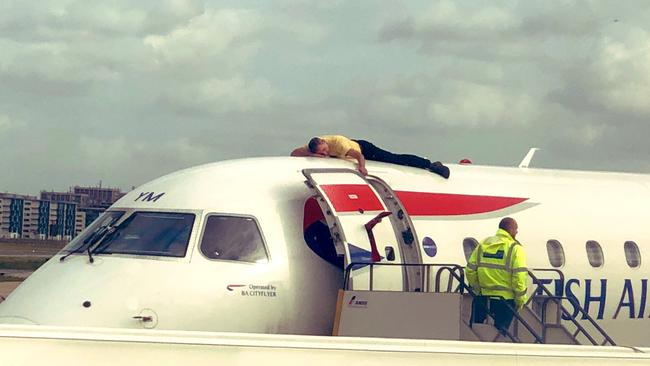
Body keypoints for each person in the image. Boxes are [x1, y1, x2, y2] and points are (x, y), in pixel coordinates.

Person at [465, 217, 528, 334]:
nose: (517, 232)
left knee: (472, 332)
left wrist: (478, 289)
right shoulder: (515, 248)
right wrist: (520, 300)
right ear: (511, 230)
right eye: (516, 229)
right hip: (505, 301)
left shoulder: (483, 244)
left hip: (483, 298)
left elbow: (470, 270)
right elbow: (519, 277)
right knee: (500, 336)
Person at [290, 135, 450, 178]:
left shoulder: (338, 144)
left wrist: (362, 167)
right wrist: (314, 155)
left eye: (325, 150)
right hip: (353, 152)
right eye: (321, 152)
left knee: (395, 158)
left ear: (325, 142)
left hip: (364, 148)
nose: (324, 154)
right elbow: (294, 153)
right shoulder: (315, 145)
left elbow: (358, 155)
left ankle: (429, 164)